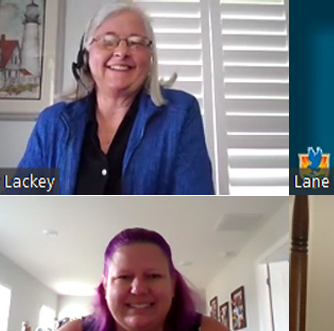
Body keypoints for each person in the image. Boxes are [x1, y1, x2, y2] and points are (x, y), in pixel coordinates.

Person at [16, 228, 288, 331]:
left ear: (172, 285)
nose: (138, 288)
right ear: (105, 288)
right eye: (123, 277)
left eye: (153, 276)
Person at [18, 2, 213, 195]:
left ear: (150, 57)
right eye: (108, 41)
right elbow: (21, 202)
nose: (121, 52)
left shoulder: (180, 114)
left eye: (136, 42)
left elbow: (195, 204)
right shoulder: (53, 122)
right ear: (86, 55)